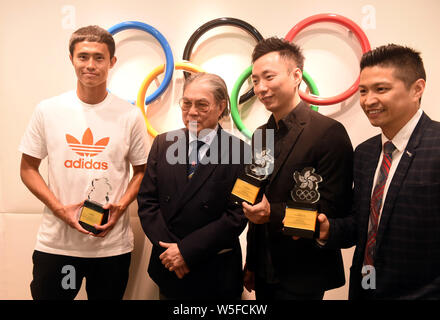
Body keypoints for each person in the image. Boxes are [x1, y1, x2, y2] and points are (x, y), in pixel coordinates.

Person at [19, 25, 149, 300]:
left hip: (111, 247)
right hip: (56, 246)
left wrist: (121, 206)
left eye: (99, 58)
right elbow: (28, 168)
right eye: (83, 57)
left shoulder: (130, 115)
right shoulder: (48, 110)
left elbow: (142, 171)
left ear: (112, 62)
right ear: (71, 59)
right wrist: (59, 209)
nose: (90, 65)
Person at [318, 44, 440, 299]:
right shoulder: (365, 153)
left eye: (381, 89)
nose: (368, 100)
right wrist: (330, 229)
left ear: (417, 88)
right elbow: (362, 221)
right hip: (365, 289)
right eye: (363, 91)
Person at [242, 37, 354, 300]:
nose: (260, 88)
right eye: (255, 80)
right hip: (264, 268)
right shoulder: (261, 134)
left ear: (296, 76)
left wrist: (273, 213)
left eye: (268, 77)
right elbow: (255, 197)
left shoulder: (329, 133)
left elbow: (331, 209)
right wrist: (251, 263)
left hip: (305, 272)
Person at [137, 72, 250, 300]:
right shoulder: (163, 143)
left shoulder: (241, 152)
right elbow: (147, 202)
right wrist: (172, 252)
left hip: (215, 269)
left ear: (220, 107)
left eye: (202, 105)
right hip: (169, 266)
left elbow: (236, 215)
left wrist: (187, 252)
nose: (192, 112)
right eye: (186, 103)